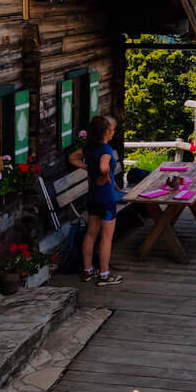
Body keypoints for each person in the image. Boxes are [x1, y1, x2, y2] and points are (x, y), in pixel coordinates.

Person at [68, 114, 124, 286]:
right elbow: (103, 165)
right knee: (106, 237)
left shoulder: (88, 148)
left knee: (91, 234)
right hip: (106, 199)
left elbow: (72, 158)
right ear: (106, 132)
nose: (113, 132)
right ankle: (105, 275)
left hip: (92, 197)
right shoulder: (106, 150)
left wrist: (89, 169)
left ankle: (87, 271)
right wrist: (105, 175)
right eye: (112, 130)